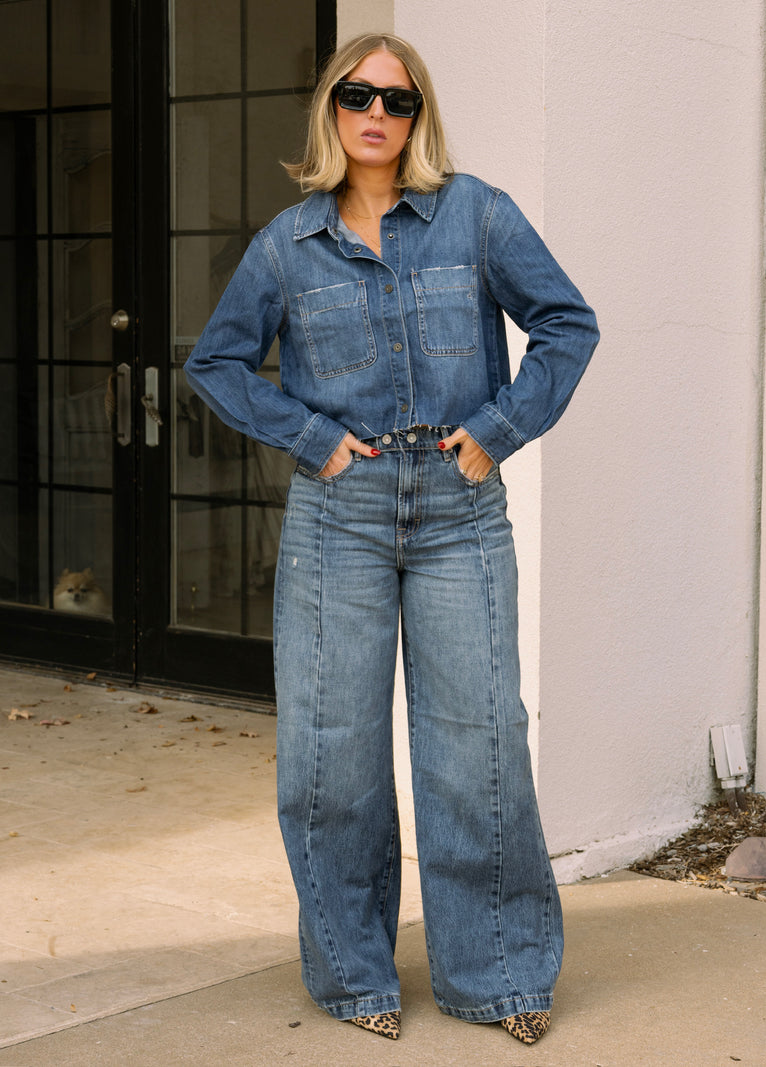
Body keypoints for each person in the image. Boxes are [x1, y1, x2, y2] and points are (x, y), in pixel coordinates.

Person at [185, 32, 599, 1046]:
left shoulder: (477, 213)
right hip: (341, 517)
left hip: (458, 513)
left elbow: (565, 324)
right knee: (332, 758)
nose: (376, 113)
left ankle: (497, 970)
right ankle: (352, 966)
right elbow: (219, 361)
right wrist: (314, 439)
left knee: (478, 748)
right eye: (357, 95)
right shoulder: (290, 242)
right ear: (331, 109)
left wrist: (494, 434)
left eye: (398, 100)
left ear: (419, 118)